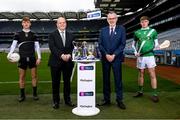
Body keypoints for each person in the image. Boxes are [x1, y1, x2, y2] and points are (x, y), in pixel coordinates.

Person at [7, 17, 41, 102]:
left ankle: (35, 94)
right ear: (22, 23)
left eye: (28, 22)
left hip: (32, 57)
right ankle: (22, 95)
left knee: (34, 76)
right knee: (22, 77)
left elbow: (37, 47)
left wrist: (39, 57)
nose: (26, 23)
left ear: (30, 24)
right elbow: (13, 45)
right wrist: (9, 54)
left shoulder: (34, 34)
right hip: (22, 58)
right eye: (24, 22)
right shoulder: (17, 34)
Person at [98, 11, 126, 109]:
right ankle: (106, 99)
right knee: (106, 80)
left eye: (113, 18)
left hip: (116, 58)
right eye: (109, 18)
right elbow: (100, 44)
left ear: (116, 19)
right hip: (105, 59)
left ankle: (119, 100)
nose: (111, 20)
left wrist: (114, 54)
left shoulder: (121, 29)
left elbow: (122, 44)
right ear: (107, 19)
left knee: (118, 80)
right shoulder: (103, 30)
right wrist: (106, 54)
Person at [48, 17, 75, 109]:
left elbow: (73, 48)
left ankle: (67, 100)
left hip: (68, 62)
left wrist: (69, 55)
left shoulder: (71, 35)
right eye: (60, 23)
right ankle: (56, 101)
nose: (62, 24)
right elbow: (52, 47)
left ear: (66, 23)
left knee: (67, 82)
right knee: (55, 83)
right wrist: (62, 55)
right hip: (55, 62)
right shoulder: (52, 35)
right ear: (57, 24)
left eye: (64, 22)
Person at [132, 16, 160, 102]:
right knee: (141, 73)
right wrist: (135, 52)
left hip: (150, 56)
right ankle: (140, 91)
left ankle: (155, 94)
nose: (144, 23)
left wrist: (157, 47)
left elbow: (156, 43)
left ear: (148, 22)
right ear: (140, 23)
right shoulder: (137, 32)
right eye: (142, 22)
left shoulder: (153, 31)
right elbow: (133, 45)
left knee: (152, 73)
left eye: (145, 21)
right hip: (141, 56)